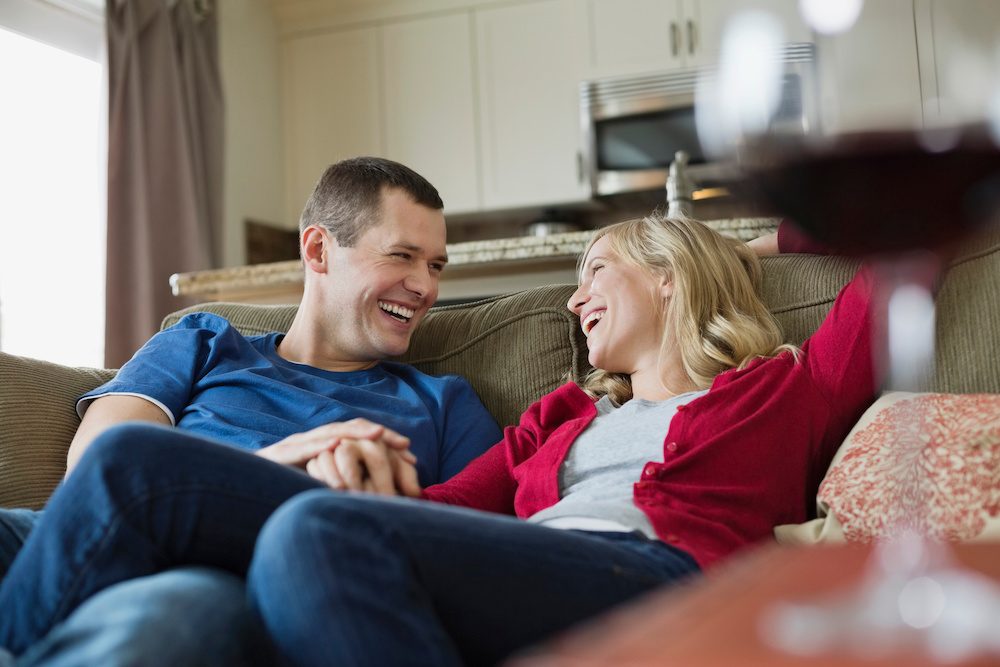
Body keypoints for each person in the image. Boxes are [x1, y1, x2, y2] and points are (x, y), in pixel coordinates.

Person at [0, 214, 912, 666]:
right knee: (131, 464)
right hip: (516, 566)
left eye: (596, 268)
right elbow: (434, 514)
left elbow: (898, 250)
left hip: (660, 574)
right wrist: (339, 465)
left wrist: (763, 237)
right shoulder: (558, 418)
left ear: (673, 275)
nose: (574, 294)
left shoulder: (787, 387)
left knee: (313, 538)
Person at [0, 156, 502, 666]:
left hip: (229, 576)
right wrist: (273, 464)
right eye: (402, 256)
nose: (426, 287)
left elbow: (471, 553)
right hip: (68, 535)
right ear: (318, 249)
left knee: (174, 621)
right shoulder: (204, 339)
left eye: (435, 265)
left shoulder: (443, 405)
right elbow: (105, 461)